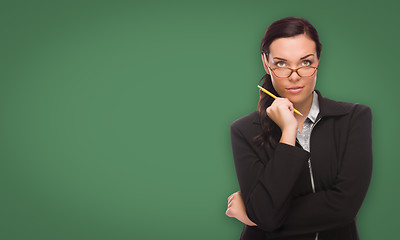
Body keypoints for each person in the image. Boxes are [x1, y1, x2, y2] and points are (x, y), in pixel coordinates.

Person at [225, 16, 373, 240]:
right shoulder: (244, 130)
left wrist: (255, 216)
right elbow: (265, 213)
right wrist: (287, 134)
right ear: (266, 63)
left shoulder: (353, 118)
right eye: (281, 64)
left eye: (305, 62)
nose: (295, 77)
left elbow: (344, 207)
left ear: (318, 59)